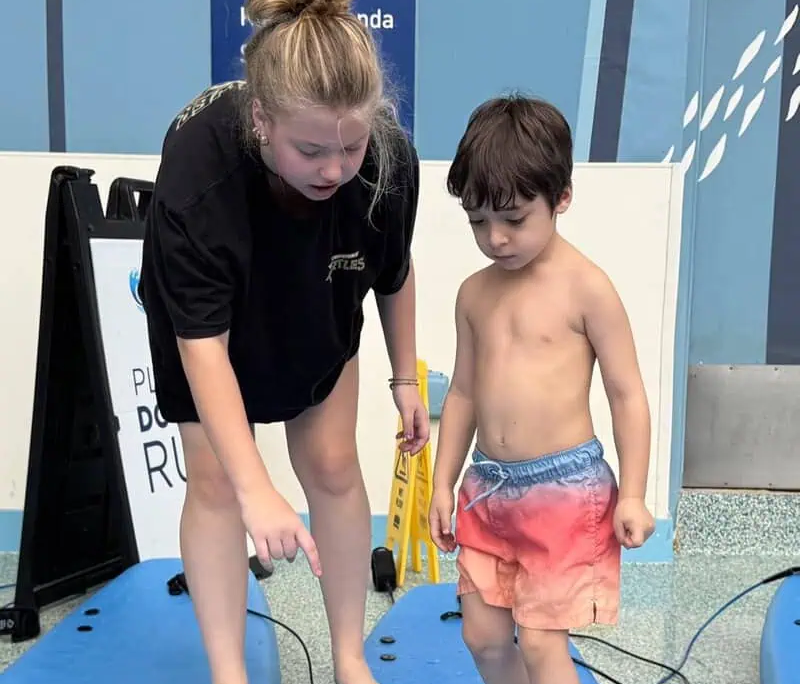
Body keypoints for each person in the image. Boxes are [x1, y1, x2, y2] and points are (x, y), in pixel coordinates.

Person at [136, 1, 429, 683]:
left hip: (316, 287)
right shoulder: (198, 176)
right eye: (311, 150)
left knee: (331, 464)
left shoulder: (385, 163)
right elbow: (204, 344)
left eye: (349, 147)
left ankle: (350, 656)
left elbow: (394, 271)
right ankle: (228, 672)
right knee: (215, 479)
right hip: (211, 320)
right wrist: (256, 487)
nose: (334, 168)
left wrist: (405, 380)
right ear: (262, 122)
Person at [428, 94, 656, 684]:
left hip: (565, 490)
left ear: (561, 198)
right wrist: (442, 483)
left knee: (539, 643)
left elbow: (626, 393)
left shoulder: (588, 288)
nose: (496, 238)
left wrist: (633, 492)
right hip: (488, 487)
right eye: (479, 222)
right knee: (481, 634)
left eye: (514, 219)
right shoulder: (474, 294)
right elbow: (463, 395)